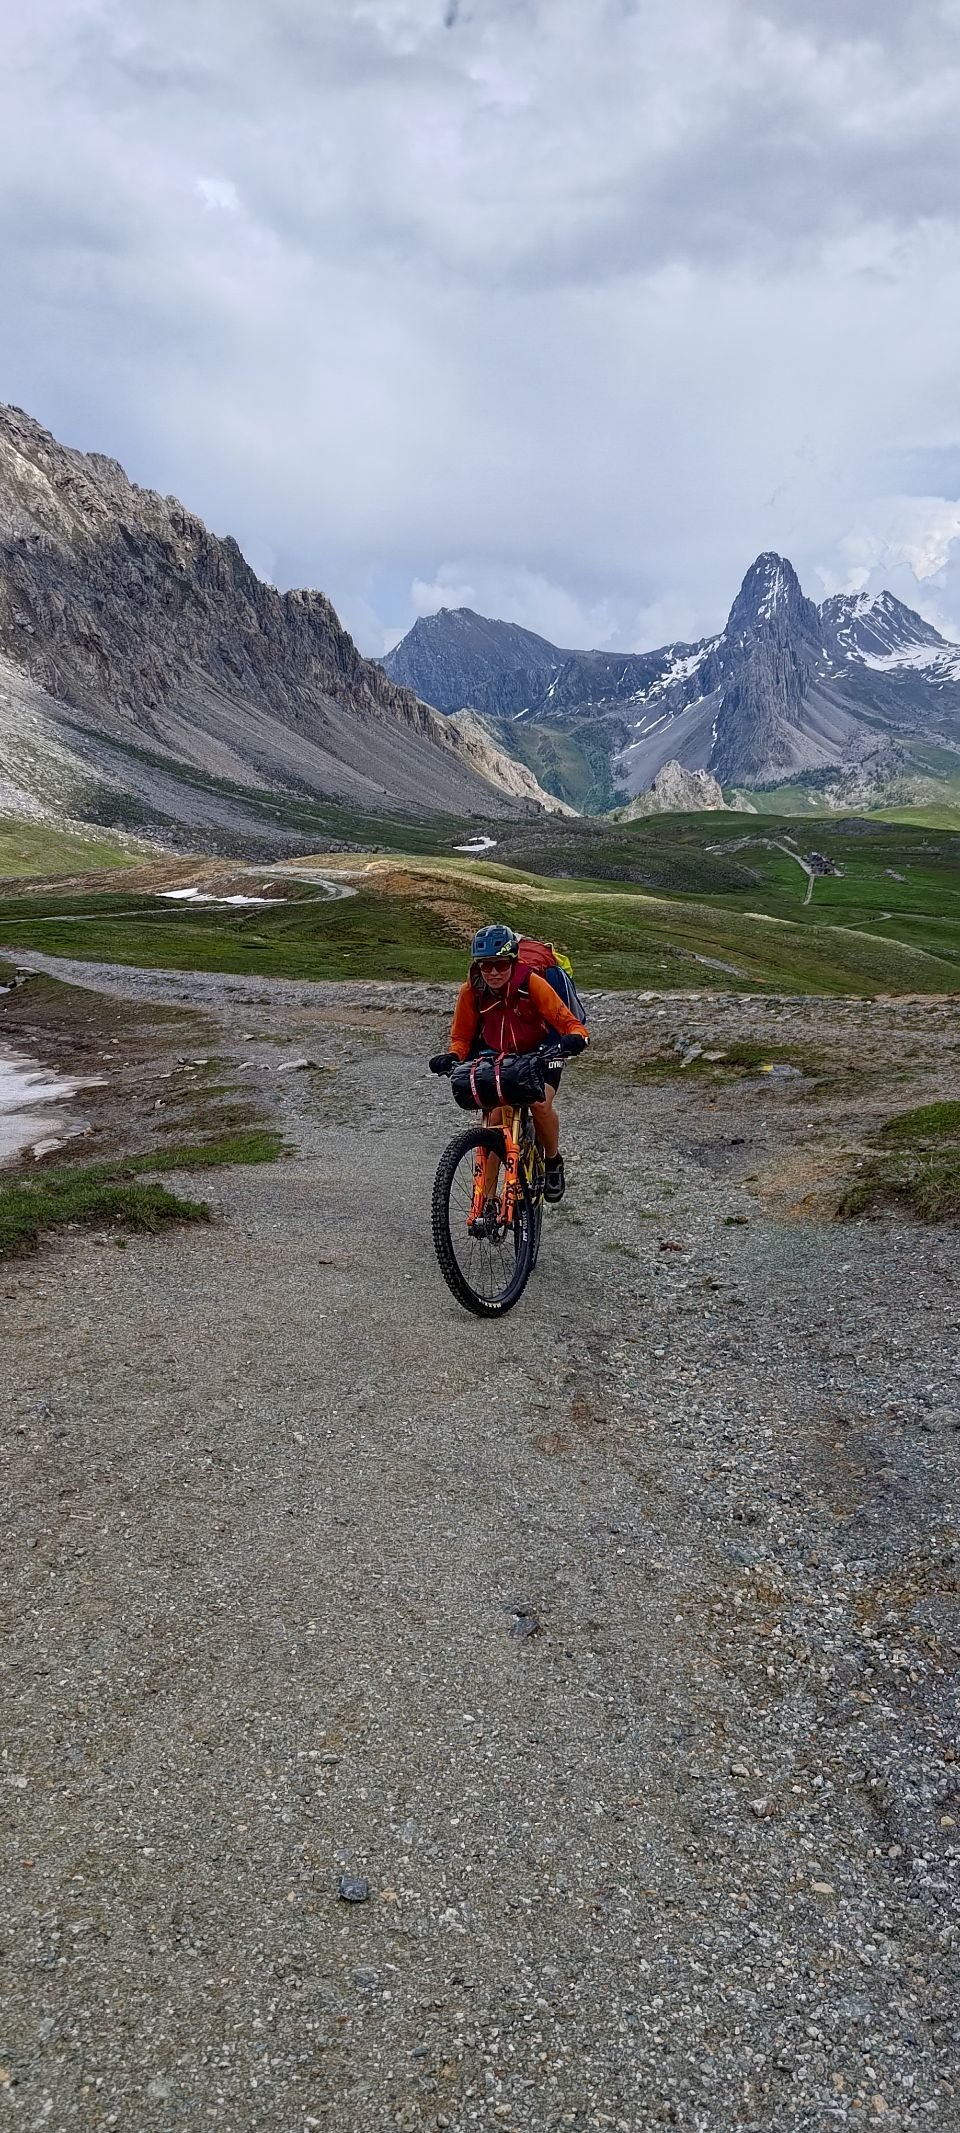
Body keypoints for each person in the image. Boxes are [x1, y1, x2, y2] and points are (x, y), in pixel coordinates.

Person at [428, 923, 588, 1202]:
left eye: (501, 965)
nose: (493, 972)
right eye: (486, 965)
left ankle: (553, 1163)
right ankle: (486, 1204)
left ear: (513, 961)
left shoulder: (532, 983)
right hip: (498, 1054)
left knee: (539, 1104)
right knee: (493, 1119)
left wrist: (574, 1038)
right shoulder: (471, 991)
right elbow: (462, 1037)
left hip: (543, 1049)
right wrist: (453, 1056)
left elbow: (568, 1022)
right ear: (477, 966)